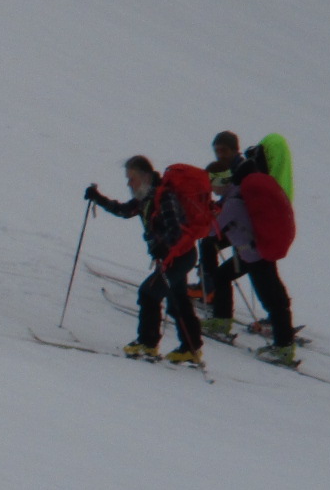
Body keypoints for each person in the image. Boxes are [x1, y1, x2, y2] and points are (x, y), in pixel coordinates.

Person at [85, 155, 205, 363]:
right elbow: (123, 211)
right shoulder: (146, 198)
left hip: (178, 257)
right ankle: (191, 348)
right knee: (177, 300)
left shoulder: (163, 197)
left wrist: (161, 246)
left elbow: (176, 231)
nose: (129, 184)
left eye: (132, 179)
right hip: (177, 257)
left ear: (146, 177)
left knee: (149, 293)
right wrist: (98, 198)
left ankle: (148, 344)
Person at [208, 156, 299, 364]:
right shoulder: (236, 194)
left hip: (254, 255)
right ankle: (223, 320)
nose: (211, 189)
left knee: (271, 299)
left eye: (211, 183)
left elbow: (212, 230)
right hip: (256, 252)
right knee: (224, 276)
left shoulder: (232, 202)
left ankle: (284, 346)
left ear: (219, 181)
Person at [194, 130, 248, 311]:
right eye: (217, 151)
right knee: (209, 243)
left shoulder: (239, 170)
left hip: (241, 227)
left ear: (235, 150)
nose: (219, 154)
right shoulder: (233, 167)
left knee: (209, 242)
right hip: (237, 224)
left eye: (223, 150)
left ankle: (209, 289)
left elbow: (232, 198)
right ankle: (209, 288)